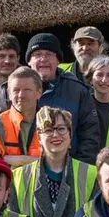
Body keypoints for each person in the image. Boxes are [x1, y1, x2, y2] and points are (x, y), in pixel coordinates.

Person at [10, 107, 98, 217]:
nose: (55, 134)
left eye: (61, 129)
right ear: (39, 137)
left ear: (70, 135)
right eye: (48, 130)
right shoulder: (17, 177)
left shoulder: (92, 174)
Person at [26, 33, 101, 164]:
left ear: (58, 60)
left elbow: (89, 135)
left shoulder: (78, 91)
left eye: (49, 54)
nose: (43, 59)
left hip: (69, 168)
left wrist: (79, 168)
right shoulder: (16, 89)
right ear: (29, 61)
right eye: (37, 54)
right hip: (26, 170)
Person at [0, 67, 43, 167]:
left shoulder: (53, 122)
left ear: (39, 92)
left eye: (27, 90)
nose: (21, 95)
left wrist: (14, 160)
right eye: (16, 90)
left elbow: (58, 163)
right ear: (9, 93)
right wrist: (36, 161)